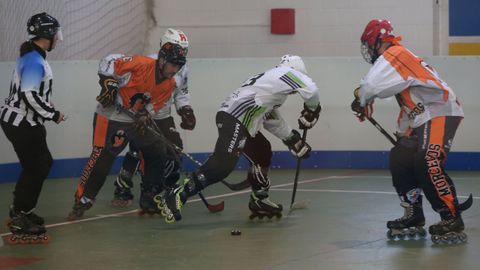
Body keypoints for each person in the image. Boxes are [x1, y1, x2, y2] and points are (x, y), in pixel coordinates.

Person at [158, 55, 321, 223]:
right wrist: (312, 109)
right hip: (235, 118)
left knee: (262, 152)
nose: (294, 92)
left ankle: (260, 199)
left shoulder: (270, 84)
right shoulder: (286, 72)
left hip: (241, 121)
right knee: (223, 164)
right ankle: (179, 193)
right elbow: (311, 90)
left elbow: (270, 119)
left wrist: (292, 140)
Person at [351, 19, 467, 243]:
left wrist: (361, 99)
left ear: (378, 40)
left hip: (441, 110)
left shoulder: (394, 53)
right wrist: (402, 134)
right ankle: (414, 214)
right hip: (423, 117)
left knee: (427, 160)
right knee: (400, 157)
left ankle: (451, 216)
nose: (367, 50)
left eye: (368, 43)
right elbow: (408, 102)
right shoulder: (397, 61)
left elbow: (371, 86)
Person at [67, 34, 187, 220]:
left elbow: (154, 105)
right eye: (172, 64)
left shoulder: (169, 83)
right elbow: (109, 60)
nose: (174, 69)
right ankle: (83, 199)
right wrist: (108, 83)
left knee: (158, 149)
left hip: (133, 121)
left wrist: (145, 115)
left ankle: (150, 195)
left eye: (178, 66)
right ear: (162, 60)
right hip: (111, 117)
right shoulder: (141, 64)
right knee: (103, 157)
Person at [111, 29, 195, 208]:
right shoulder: (152, 62)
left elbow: (181, 93)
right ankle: (123, 186)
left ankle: (155, 189)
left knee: (174, 148)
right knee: (138, 148)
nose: (182, 54)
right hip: (141, 114)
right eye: (180, 49)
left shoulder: (182, 67)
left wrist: (186, 110)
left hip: (162, 115)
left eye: (185, 50)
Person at [0, 12, 65, 244]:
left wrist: (46, 106)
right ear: (46, 34)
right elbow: (28, 95)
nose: (58, 38)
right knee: (36, 167)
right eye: (55, 33)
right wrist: (53, 114)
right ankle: (19, 215)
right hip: (21, 123)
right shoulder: (34, 60)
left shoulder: (33, 55)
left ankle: (22, 210)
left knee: (43, 163)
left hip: (23, 120)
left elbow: (32, 92)